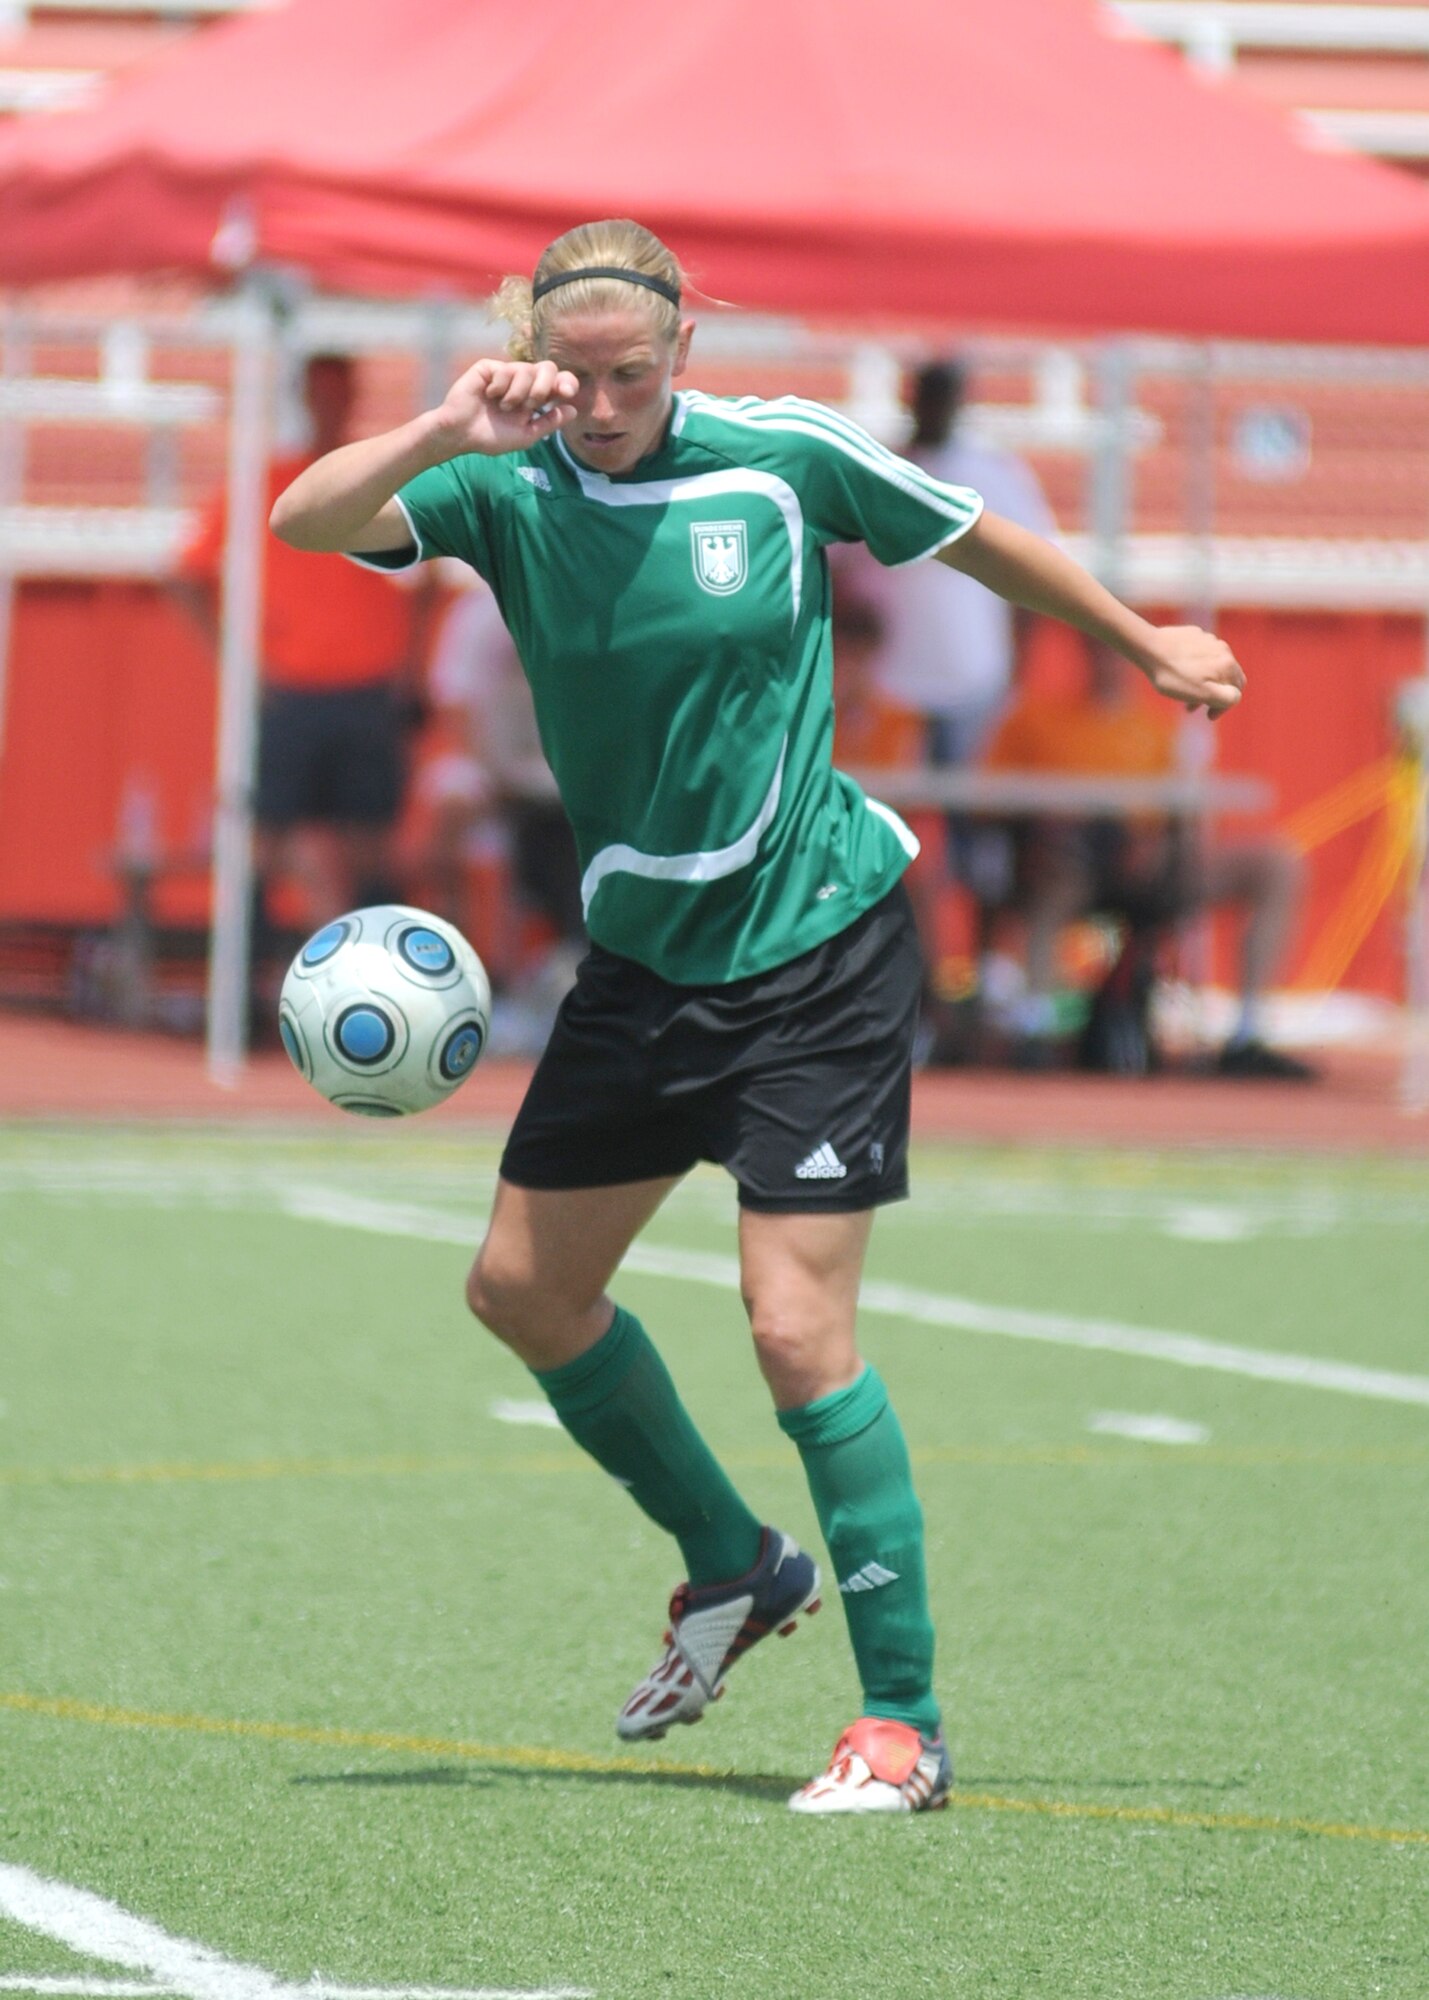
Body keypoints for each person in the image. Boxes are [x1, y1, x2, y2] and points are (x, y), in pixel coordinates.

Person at [269, 219, 1245, 1815]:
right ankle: (736, 1560)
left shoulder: (781, 460)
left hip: (816, 949)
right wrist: (452, 421)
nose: (596, 400)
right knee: (521, 1292)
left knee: (794, 1331)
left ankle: (903, 1723)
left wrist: (1143, 644)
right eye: (571, 372)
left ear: (681, 359)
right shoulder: (503, 482)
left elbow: (972, 532)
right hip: (645, 966)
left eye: (628, 374)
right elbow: (306, 521)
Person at [174, 352, 422, 952]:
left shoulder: (382, 477)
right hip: (291, 688)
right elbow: (187, 572)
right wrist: (240, 665)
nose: (330, 404)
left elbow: (429, 577)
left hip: (366, 686)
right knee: (269, 835)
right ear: (305, 397)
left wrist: (411, 666)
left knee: (371, 840)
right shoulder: (265, 483)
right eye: (320, 392)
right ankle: (256, 976)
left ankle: (381, 962)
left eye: (340, 392)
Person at [982, 638, 1311, 1077]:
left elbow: (1184, 816)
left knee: (1276, 865)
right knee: (1052, 884)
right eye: (1101, 651)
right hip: (1069, 864)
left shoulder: (1156, 729)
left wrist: (1158, 847)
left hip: (1147, 865)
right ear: (1084, 655)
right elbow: (988, 799)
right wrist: (1053, 829)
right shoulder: (1036, 720)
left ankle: (1248, 1033)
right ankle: (1036, 1029)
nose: (1110, 663)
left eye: (1120, 654)